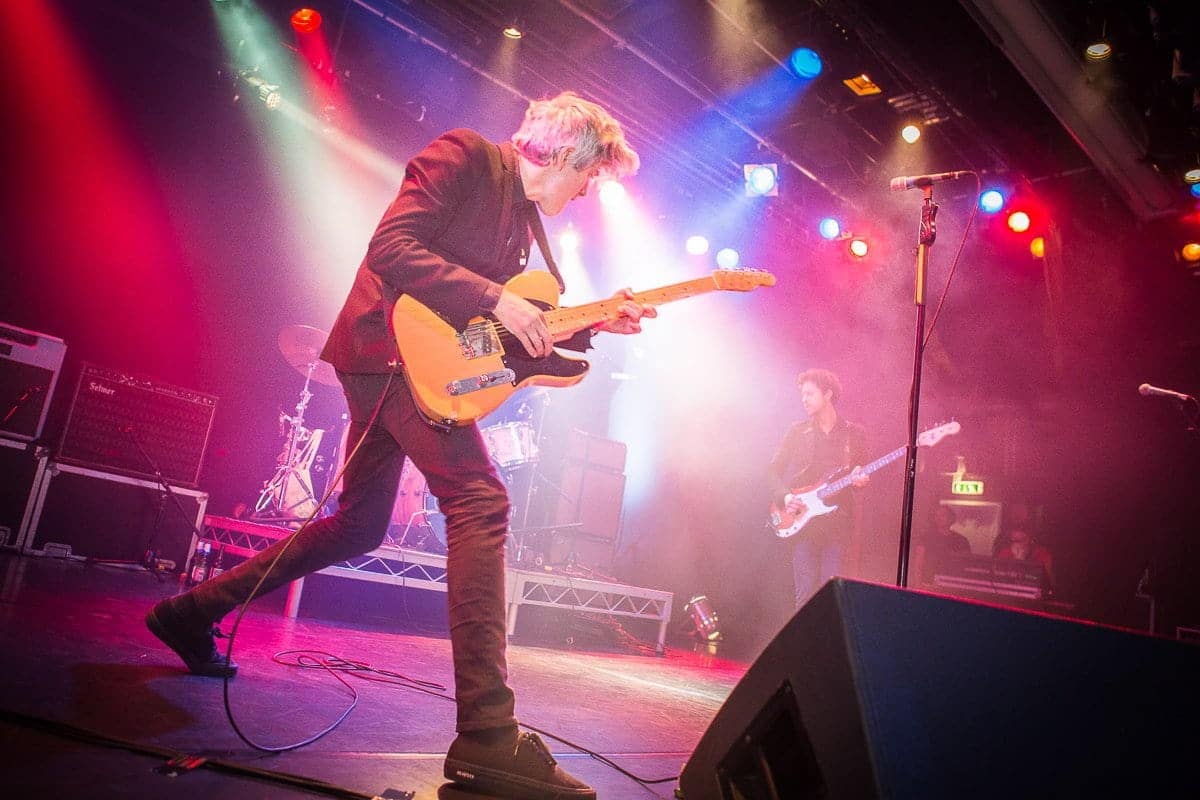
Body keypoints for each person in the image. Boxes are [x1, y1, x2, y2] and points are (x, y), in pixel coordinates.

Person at [145, 92, 655, 800]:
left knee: (358, 525)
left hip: (417, 363)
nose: (591, 190)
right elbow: (391, 249)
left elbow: (474, 337)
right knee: (480, 501)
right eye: (592, 174)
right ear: (566, 155)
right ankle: (487, 736)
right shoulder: (467, 156)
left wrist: (591, 325)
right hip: (381, 351)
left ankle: (185, 614)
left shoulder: (524, 227)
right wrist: (494, 297)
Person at [768, 368, 868, 610]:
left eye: (810, 394)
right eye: (802, 394)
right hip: (803, 521)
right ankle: (802, 647)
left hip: (837, 524)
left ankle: (826, 646)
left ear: (828, 394)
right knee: (804, 594)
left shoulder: (854, 434)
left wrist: (861, 479)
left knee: (830, 595)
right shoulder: (797, 431)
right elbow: (772, 472)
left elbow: (860, 473)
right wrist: (787, 496)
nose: (804, 399)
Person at [912, 503, 972, 586]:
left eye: (943, 515)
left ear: (951, 518)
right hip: (928, 583)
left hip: (953, 585)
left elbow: (967, 565)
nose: (940, 518)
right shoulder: (926, 537)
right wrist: (917, 585)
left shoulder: (961, 540)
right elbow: (918, 563)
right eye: (937, 515)